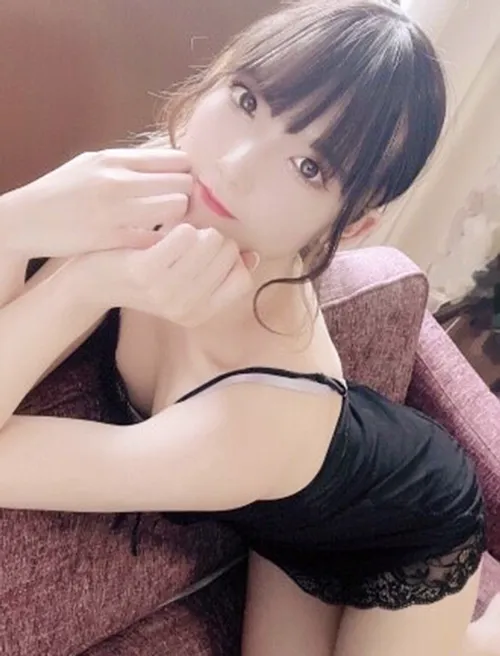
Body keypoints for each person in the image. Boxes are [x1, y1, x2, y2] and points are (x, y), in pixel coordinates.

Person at [0, 0, 498, 653]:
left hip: (405, 526)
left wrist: (83, 281)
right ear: (219, 71)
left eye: (310, 167)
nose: (235, 163)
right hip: (292, 521)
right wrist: (15, 223)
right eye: (247, 100)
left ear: (352, 225)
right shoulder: (155, 185)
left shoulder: (252, 419)